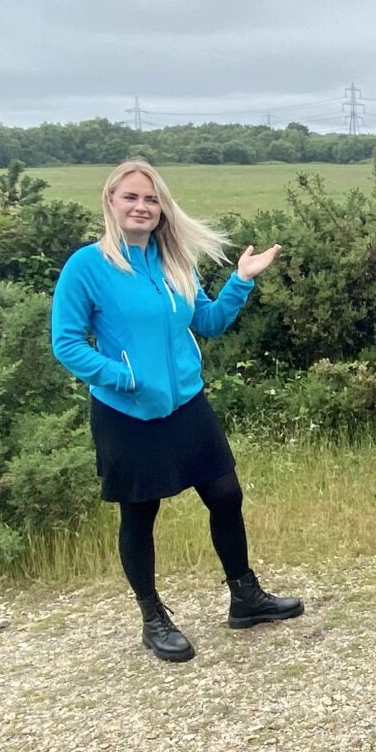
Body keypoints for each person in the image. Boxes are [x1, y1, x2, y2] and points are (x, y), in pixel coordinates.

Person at [49, 158, 302, 662]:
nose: (142, 206)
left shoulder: (173, 261)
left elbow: (206, 322)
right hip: (127, 412)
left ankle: (245, 596)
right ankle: (152, 618)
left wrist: (241, 281)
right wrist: (123, 377)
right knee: (140, 515)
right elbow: (67, 343)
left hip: (186, 402)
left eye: (151, 199)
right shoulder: (88, 266)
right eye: (131, 197)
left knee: (226, 494)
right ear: (111, 202)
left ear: (163, 209)